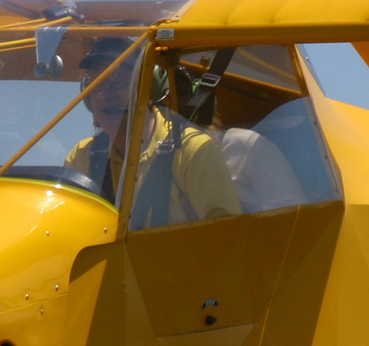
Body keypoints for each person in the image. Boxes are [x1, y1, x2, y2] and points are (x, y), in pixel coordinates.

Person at [63, 37, 240, 226]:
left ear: (149, 91)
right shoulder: (82, 157)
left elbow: (227, 237)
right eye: (95, 86)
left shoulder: (192, 150)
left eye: (117, 83)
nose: (104, 96)